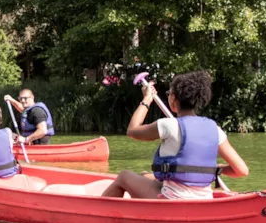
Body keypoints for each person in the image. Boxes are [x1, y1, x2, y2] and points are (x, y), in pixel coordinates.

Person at [101, 70, 249, 200]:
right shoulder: (214, 129)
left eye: (169, 94)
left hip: (173, 199)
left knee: (124, 176)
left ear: (173, 99)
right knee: (145, 174)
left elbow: (132, 131)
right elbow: (242, 170)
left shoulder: (168, 125)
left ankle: (101, 214)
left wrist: (147, 99)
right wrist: (214, 168)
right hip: (204, 198)